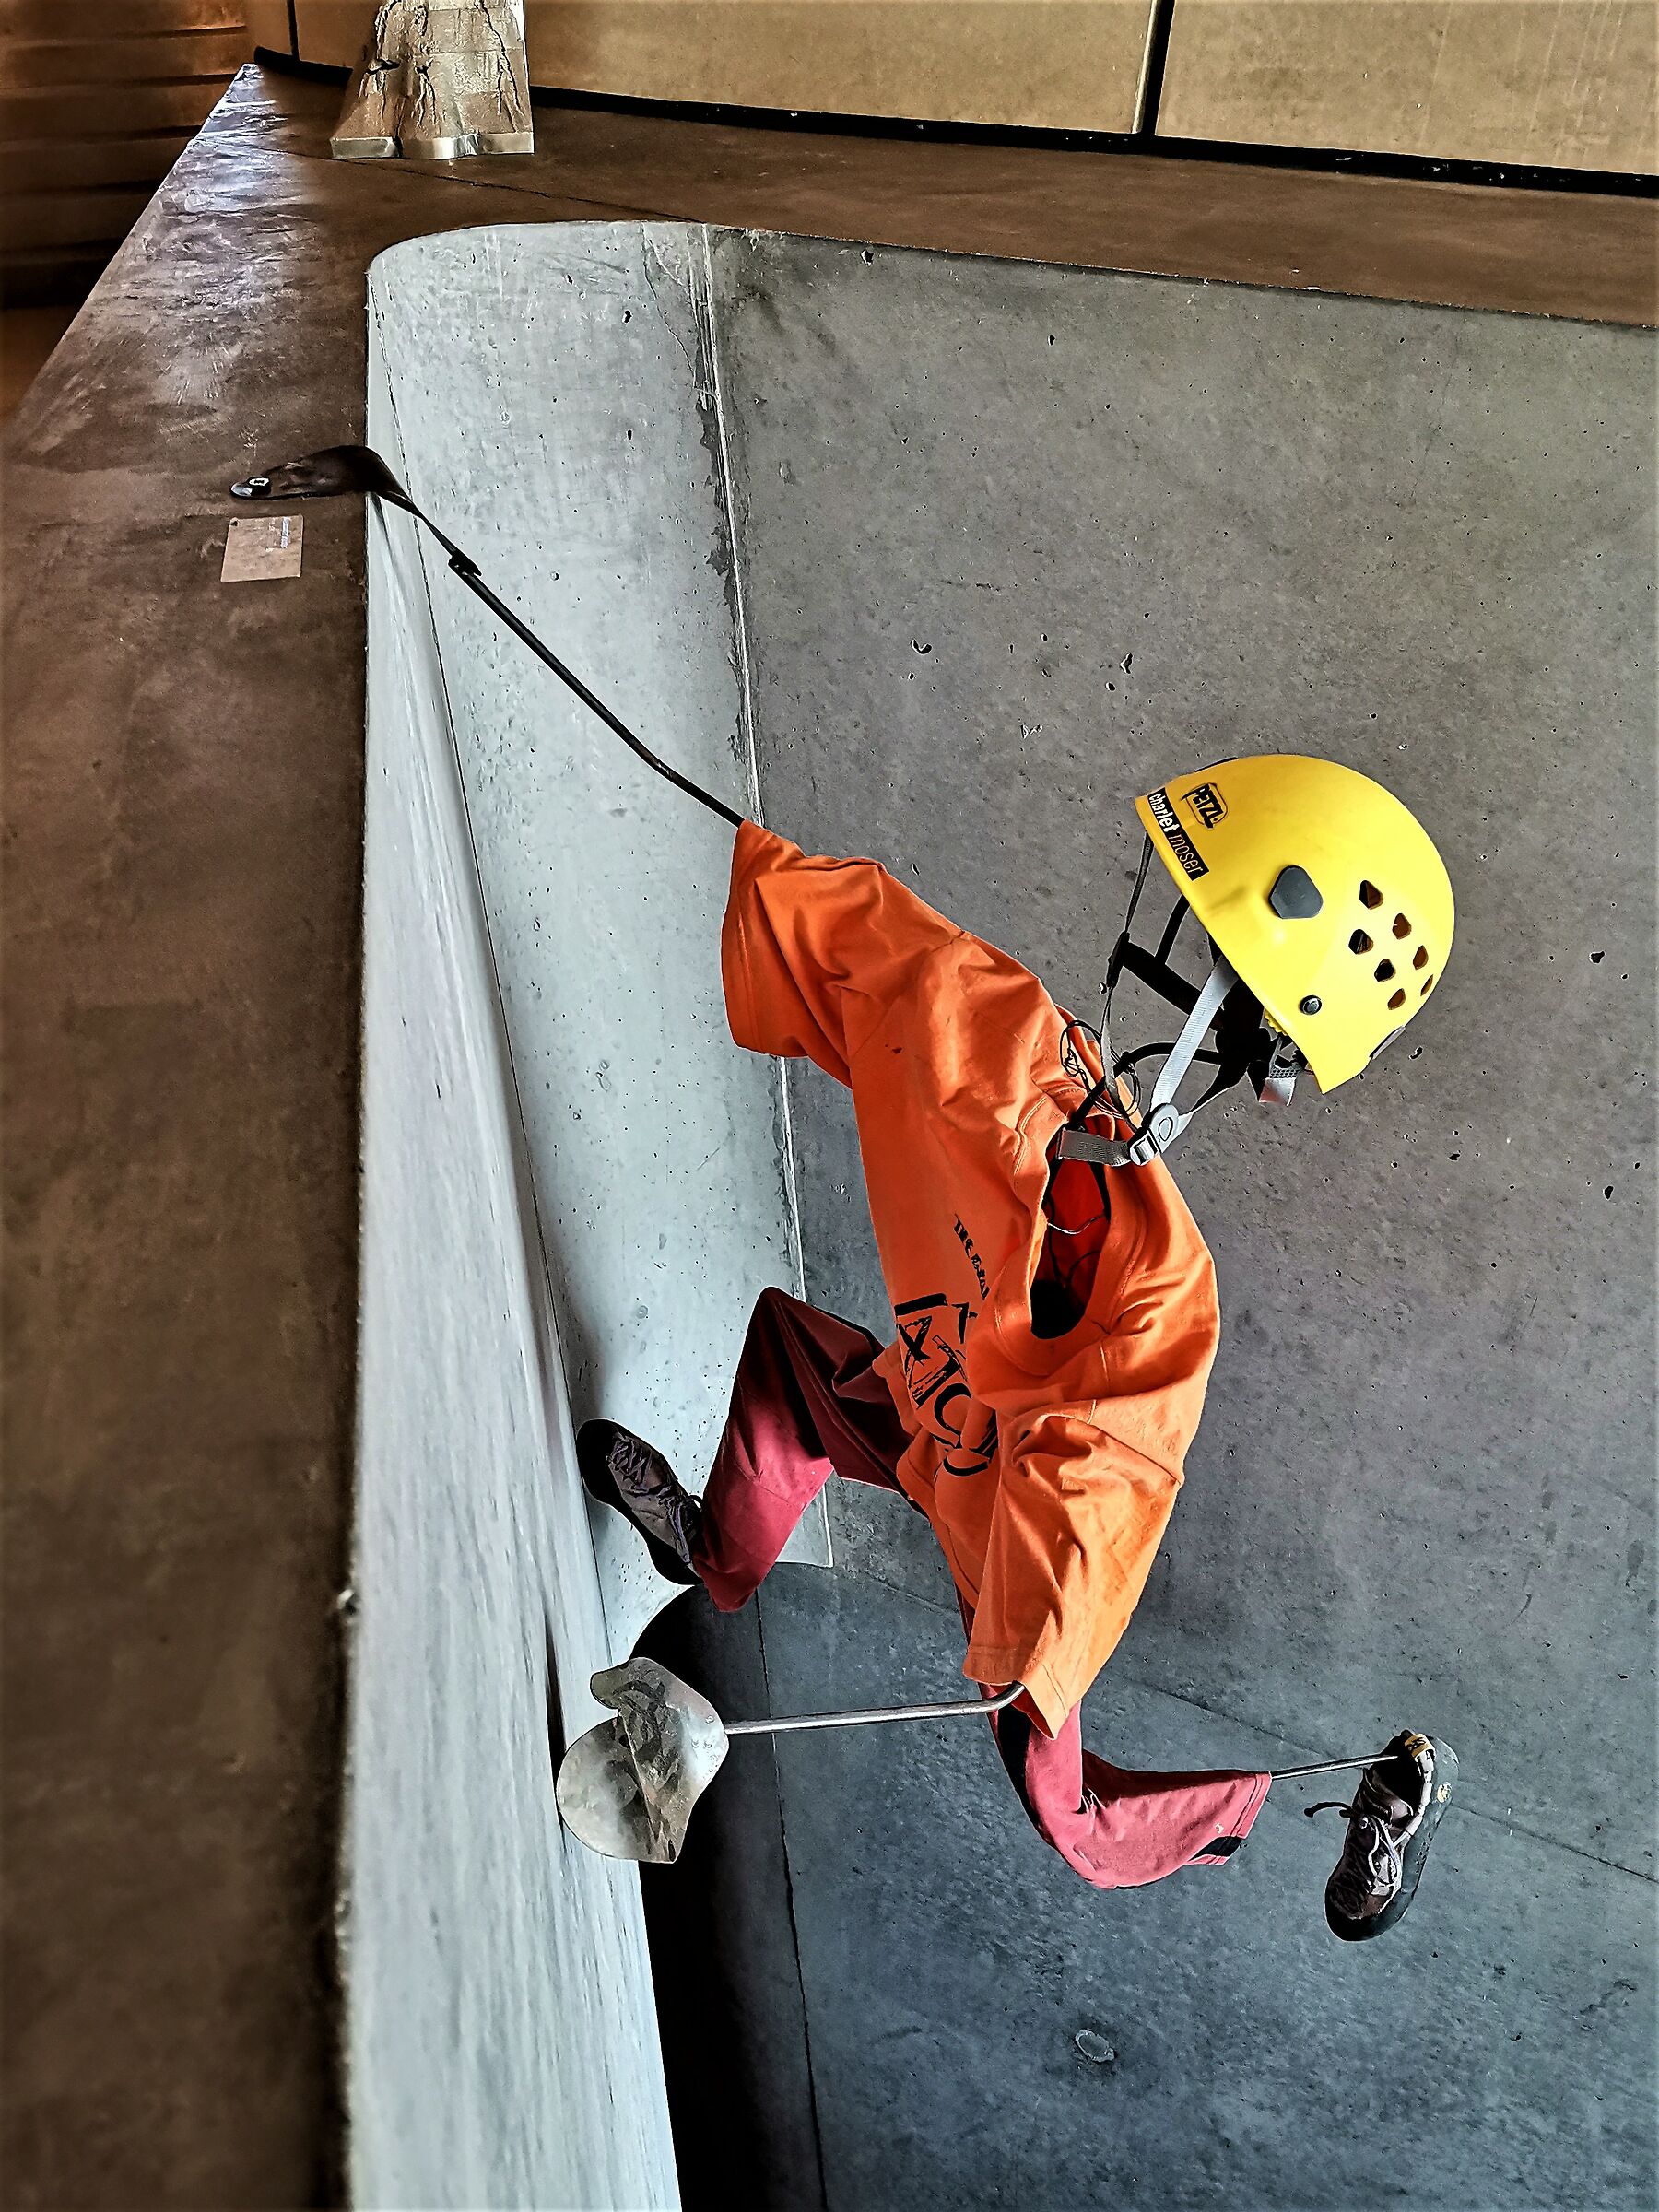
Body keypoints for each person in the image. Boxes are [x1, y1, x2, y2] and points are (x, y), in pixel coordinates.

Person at [582, 754, 1457, 1940]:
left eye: (1201, 938)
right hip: (938, 1416)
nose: (1156, 933)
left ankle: (1314, 1811)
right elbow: (892, 958)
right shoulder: (996, 1043)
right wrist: (758, 859)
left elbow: (1107, 1477)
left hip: (1013, 1537)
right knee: (792, 1366)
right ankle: (708, 1553)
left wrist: (1028, 1656)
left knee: (1074, 1817)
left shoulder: (1158, 1295)